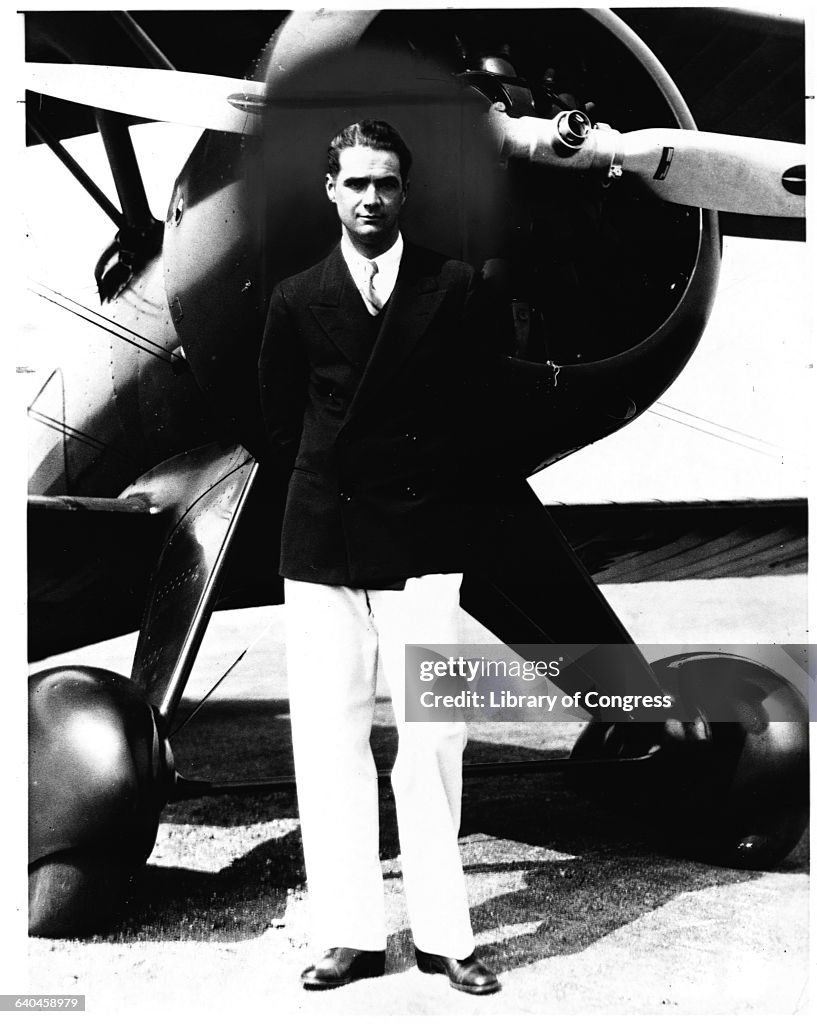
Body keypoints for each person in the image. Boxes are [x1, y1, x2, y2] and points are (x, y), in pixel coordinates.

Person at [258, 119, 503, 995]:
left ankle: (446, 937)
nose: (370, 198)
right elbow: (279, 429)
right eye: (355, 183)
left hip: (425, 541)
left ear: (407, 192)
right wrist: (332, 492)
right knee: (330, 738)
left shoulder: (458, 288)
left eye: (386, 184)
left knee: (434, 738)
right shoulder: (295, 298)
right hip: (324, 536)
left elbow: (484, 420)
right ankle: (350, 935)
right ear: (331, 191)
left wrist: (438, 508)